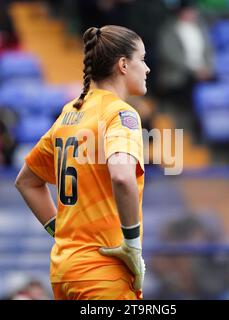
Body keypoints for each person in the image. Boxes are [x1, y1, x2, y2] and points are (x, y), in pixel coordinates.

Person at [15, 25, 150, 300]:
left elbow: (27, 181)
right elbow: (122, 177)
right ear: (123, 65)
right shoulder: (121, 114)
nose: (147, 69)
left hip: (64, 270)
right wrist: (132, 247)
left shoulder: (69, 113)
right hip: (103, 273)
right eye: (143, 59)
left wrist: (60, 231)